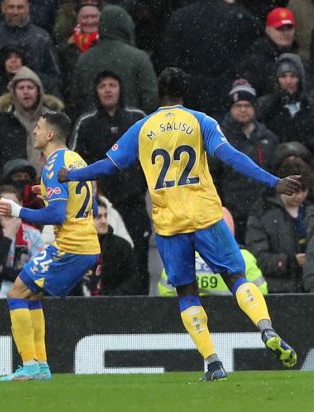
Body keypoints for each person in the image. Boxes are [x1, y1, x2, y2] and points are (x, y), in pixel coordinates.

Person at [59, 67, 299, 380]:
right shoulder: (201, 121)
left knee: (186, 293)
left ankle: (213, 362)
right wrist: (274, 181)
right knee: (236, 277)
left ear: (159, 93)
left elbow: (109, 165)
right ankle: (266, 329)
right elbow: (232, 157)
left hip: (170, 224)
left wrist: (72, 174)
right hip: (205, 215)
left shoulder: (142, 127)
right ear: (185, 92)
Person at [0, 111, 100, 381]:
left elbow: (56, 216)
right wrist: (52, 193)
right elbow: (93, 204)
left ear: (50, 134)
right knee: (31, 295)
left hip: (70, 246)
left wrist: (18, 211)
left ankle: (30, 366)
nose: (35, 132)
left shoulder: (53, 165)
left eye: (39, 128)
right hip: (86, 244)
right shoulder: (75, 159)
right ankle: (40, 366)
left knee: (16, 294)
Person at [69, 70, 150, 294]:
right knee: (101, 258)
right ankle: (102, 306)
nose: (107, 89)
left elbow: (153, 155)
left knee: (139, 256)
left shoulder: (137, 118)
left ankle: (141, 311)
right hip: (100, 204)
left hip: (134, 203)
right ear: (96, 91)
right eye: (102, 85)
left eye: (112, 85)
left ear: (120, 89)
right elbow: (74, 159)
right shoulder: (86, 123)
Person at [215, 80, 278, 243]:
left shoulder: (268, 138)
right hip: (231, 214)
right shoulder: (219, 138)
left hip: (263, 213)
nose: (243, 110)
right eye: (238, 105)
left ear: (255, 108)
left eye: (247, 105)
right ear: (230, 108)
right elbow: (213, 177)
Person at [70, 5, 157, 118]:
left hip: (94, 128)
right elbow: (150, 98)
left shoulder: (85, 59)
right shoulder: (139, 58)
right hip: (133, 127)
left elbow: (76, 100)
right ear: (126, 26)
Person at [159, 207, 268, 296]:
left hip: (193, 320)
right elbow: (261, 293)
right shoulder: (245, 258)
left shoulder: (179, 256)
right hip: (234, 319)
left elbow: (165, 295)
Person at [245, 157, 314, 293]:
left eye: (304, 191)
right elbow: (257, 257)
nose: (299, 196)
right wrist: (290, 261)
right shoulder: (262, 213)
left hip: (308, 290)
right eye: (294, 191)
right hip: (277, 291)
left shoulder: (310, 212)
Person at [0, 184, 43, 298]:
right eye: (3, 205)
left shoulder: (34, 235)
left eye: (13, 205)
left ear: (21, 206)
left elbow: (36, 276)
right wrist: (8, 237)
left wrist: (1, 270)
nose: (8, 210)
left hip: (24, 302)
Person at [237, 7, 298, 97]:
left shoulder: (297, 59)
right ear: (268, 30)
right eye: (280, 29)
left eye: (289, 28)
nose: (285, 33)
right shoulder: (255, 60)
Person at [86, 199, 140, 296]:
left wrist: (111, 299)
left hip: (114, 307)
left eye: (105, 216)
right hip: (81, 307)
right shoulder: (76, 248)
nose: (104, 221)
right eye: (98, 217)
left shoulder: (121, 247)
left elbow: (133, 281)